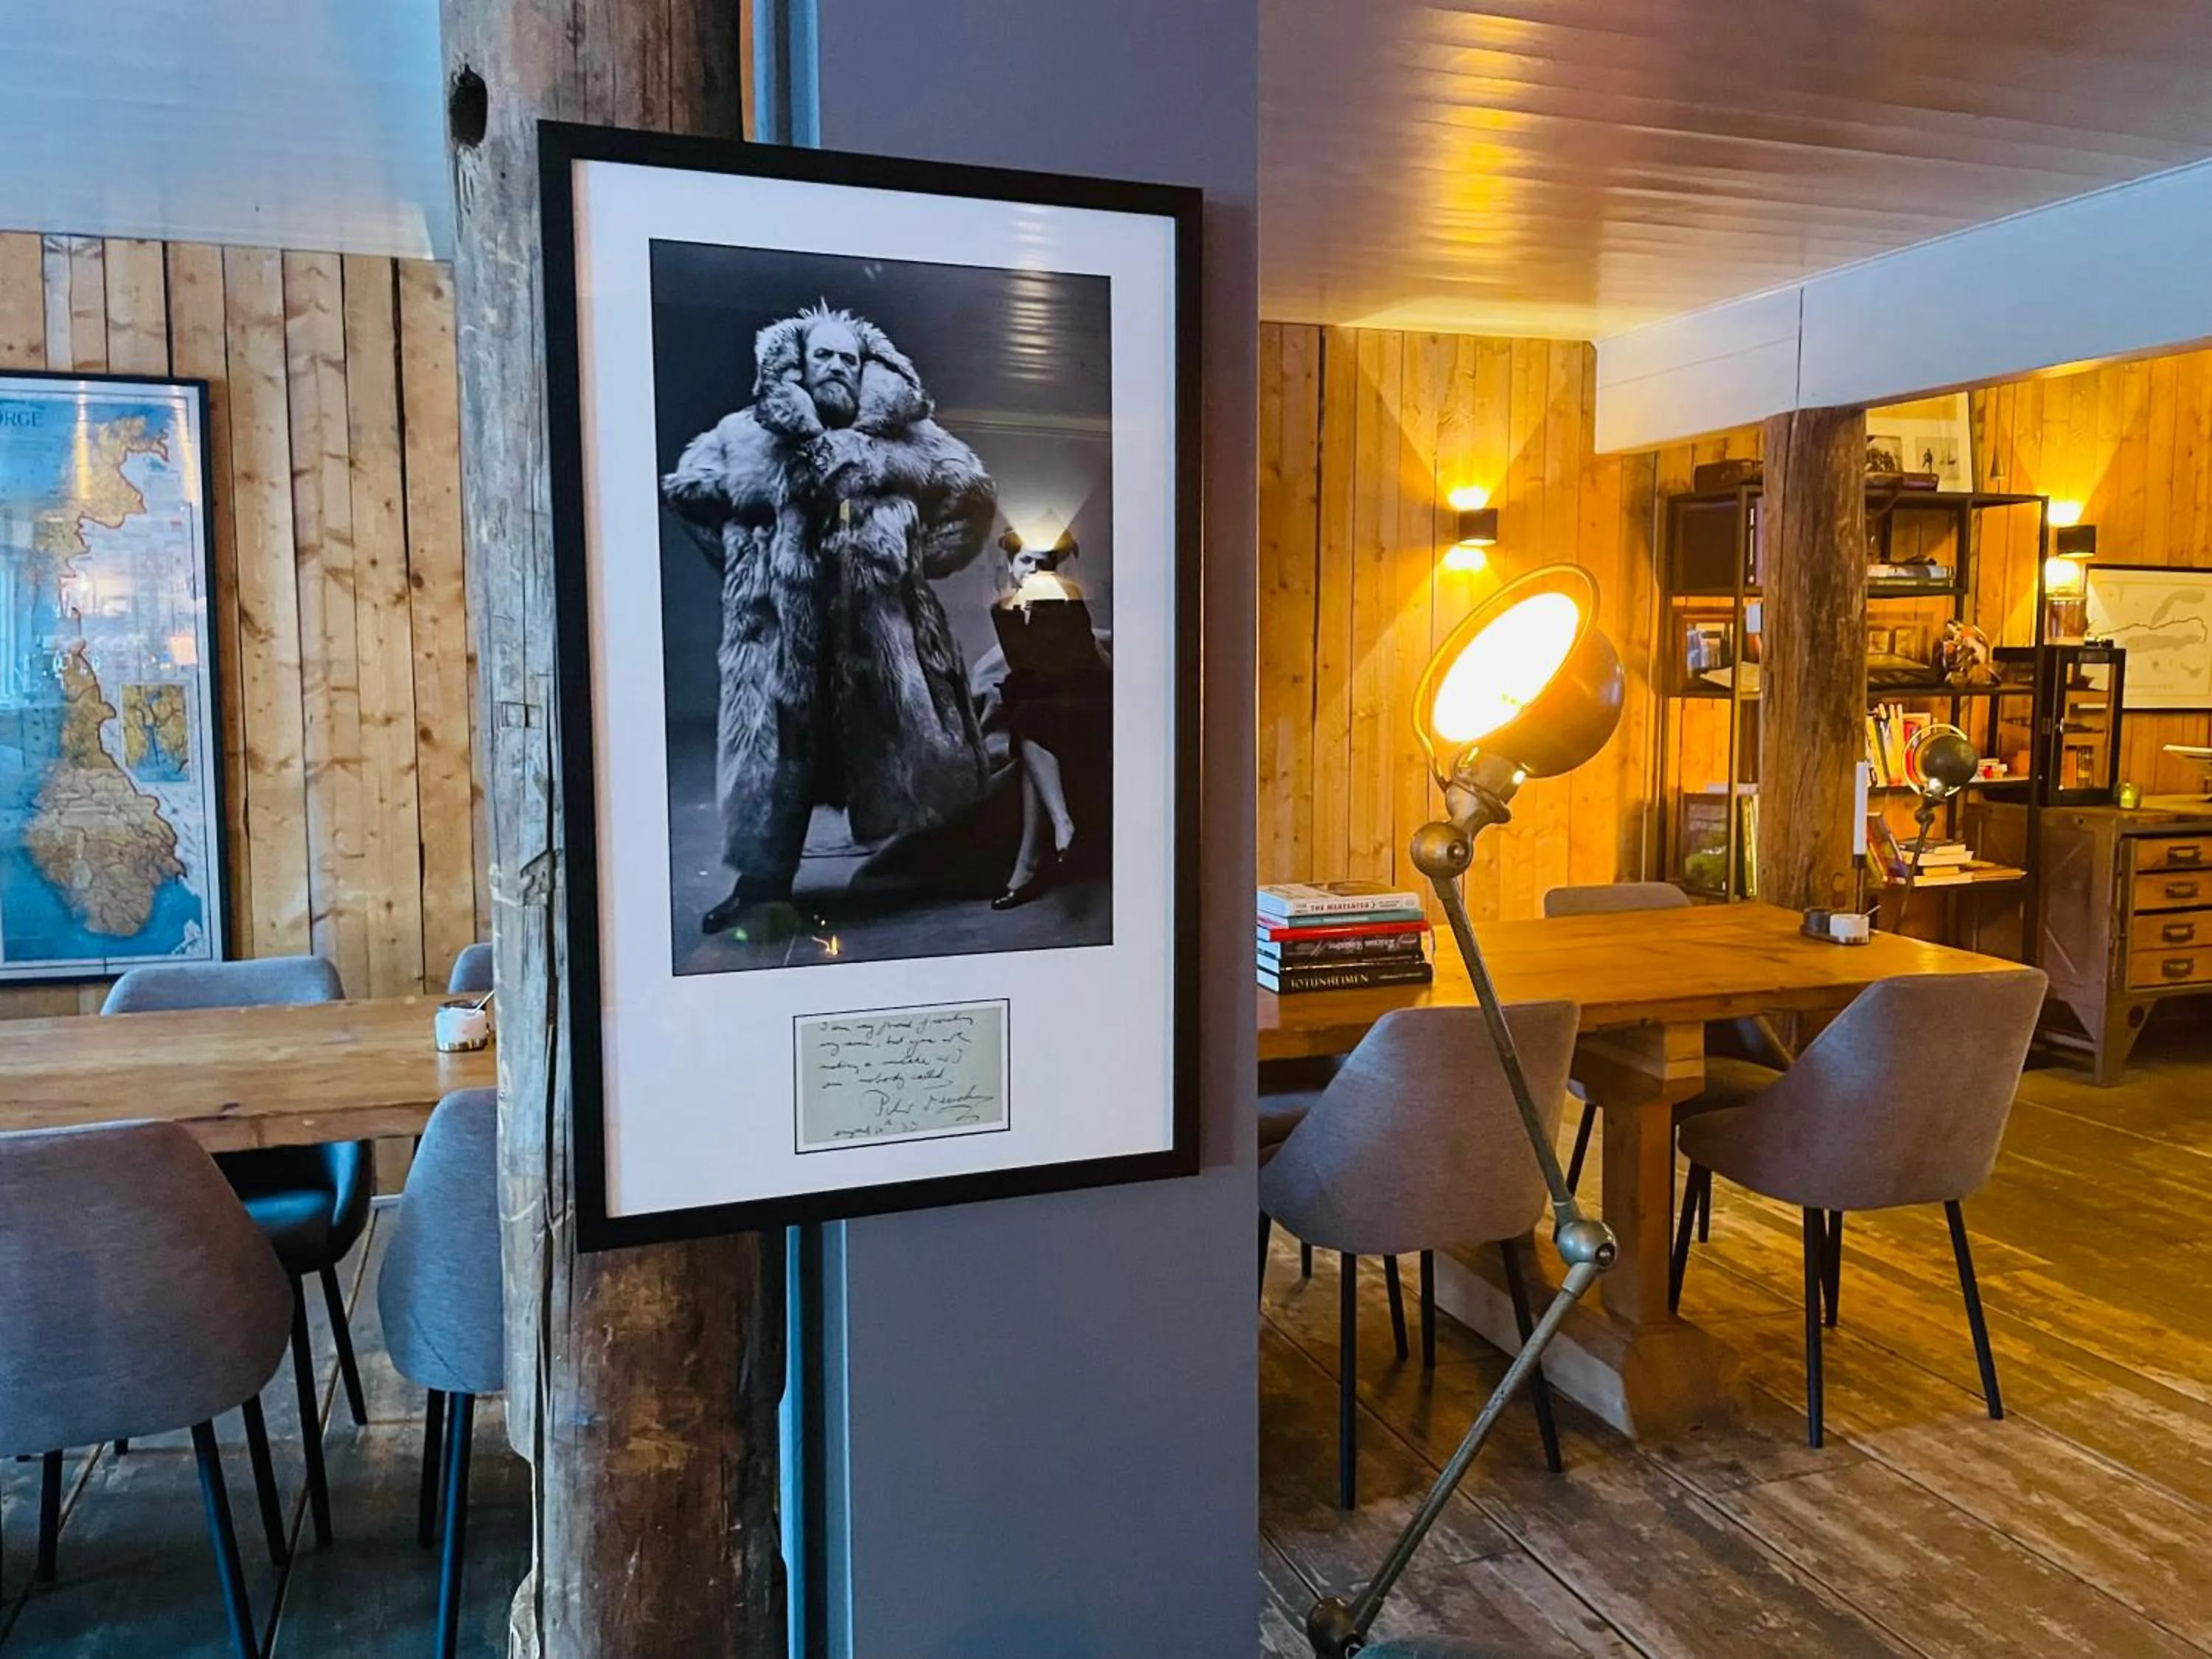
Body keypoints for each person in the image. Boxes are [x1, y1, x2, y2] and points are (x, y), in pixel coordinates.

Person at [661, 305, 997, 932]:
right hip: (784, 636)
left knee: (917, 748)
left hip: (879, 631)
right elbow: (688, 489)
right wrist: (746, 561)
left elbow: (972, 493)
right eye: (826, 356)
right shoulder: (745, 433)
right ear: (800, 363)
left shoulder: (909, 439)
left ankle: (952, 866)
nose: (838, 366)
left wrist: (914, 558)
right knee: (777, 758)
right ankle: (761, 887)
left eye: (849, 357)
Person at [987, 533, 1112, 910]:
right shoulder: (1003, 609)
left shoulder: (1068, 598)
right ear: (1010, 566)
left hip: (1086, 701)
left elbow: (1079, 665)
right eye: (1026, 561)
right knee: (1029, 717)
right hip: (1043, 707)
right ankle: (1051, 839)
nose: (1035, 570)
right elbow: (1023, 663)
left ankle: (1035, 857)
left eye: (1044, 563)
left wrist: (1051, 609)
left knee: (1029, 718)